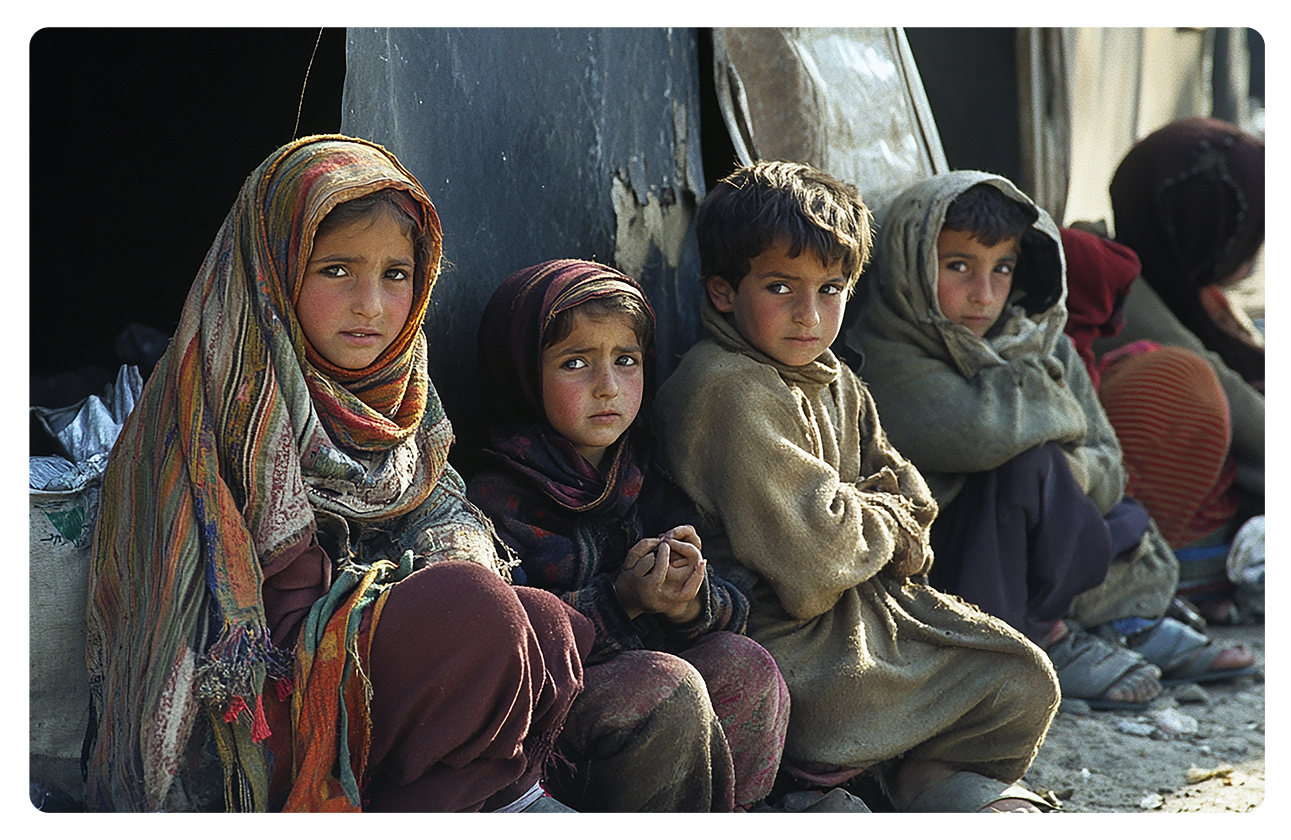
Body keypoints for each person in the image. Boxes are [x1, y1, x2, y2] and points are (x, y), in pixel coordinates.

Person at [83, 136, 593, 813]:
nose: (371, 306)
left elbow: (444, 518)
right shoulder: (219, 395)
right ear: (273, 269)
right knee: (480, 616)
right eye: (335, 271)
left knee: (550, 626)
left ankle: (474, 803)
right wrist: (398, 597)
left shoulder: (404, 401)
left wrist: (431, 573)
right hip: (253, 708)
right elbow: (243, 623)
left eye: (395, 275)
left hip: (359, 664)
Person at [654, 160, 1060, 813]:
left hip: (863, 614)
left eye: (831, 288)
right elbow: (813, 564)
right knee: (908, 691)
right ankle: (819, 783)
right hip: (784, 639)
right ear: (724, 291)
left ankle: (909, 778)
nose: (809, 316)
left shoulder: (833, 375)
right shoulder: (726, 386)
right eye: (782, 287)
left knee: (1021, 679)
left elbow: (914, 506)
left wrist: (866, 515)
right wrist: (878, 517)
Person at [846, 172, 1254, 713]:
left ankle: (1124, 621)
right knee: (1028, 468)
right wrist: (1059, 438)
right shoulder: (887, 355)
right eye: (958, 266)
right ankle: (1047, 638)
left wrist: (1073, 470)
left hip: (1046, 538)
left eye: (1003, 268)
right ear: (912, 264)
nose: (984, 295)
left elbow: (1109, 464)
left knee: (1095, 501)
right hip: (955, 566)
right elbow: (980, 435)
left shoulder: (1038, 339)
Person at [467, 259, 790, 812]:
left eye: (626, 361)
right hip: (555, 734)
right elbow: (511, 653)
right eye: (575, 363)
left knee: (748, 666)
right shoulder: (494, 498)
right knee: (663, 686)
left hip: (666, 698)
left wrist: (690, 602)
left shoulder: (643, 473)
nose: (607, 387)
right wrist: (623, 601)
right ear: (522, 372)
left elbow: (735, 608)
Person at [1069, 117, 1265, 622]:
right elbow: (1251, 422)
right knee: (1184, 384)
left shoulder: (1196, 293)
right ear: (1207, 228)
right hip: (1155, 536)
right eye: (1250, 231)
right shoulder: (1116, 294)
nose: (1256, 249)